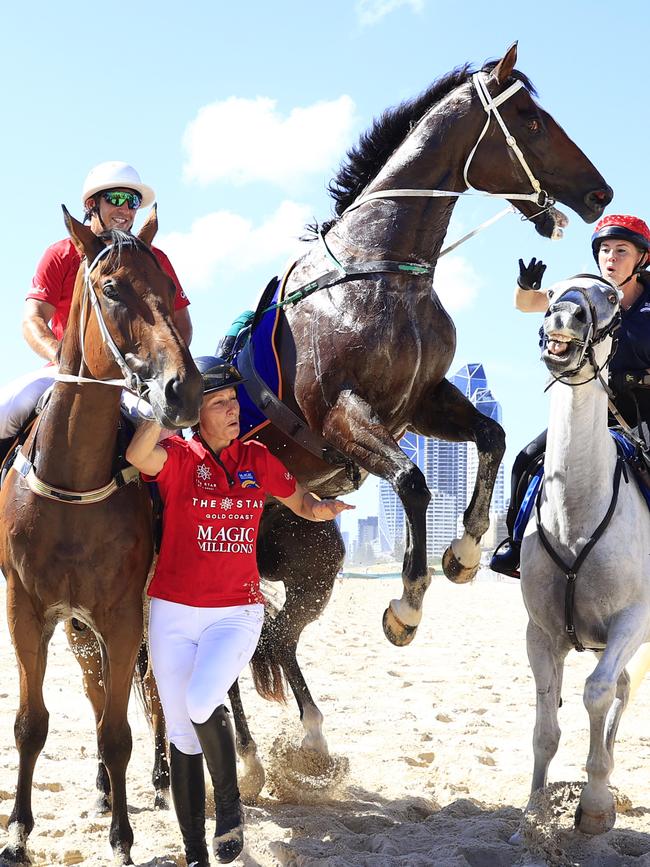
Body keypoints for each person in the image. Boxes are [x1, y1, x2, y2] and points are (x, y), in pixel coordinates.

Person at [125, 356, 354, 866]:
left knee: (204, 698)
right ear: (196, 414)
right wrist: (172, 408)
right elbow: (138, 452)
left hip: (235, 613)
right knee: (181, 735)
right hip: (171, 612)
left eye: (235, 401)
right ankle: (195, 855)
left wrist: (324, 509)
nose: (234, 411)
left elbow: (301, 503)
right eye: (220, 403)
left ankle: (229, 810)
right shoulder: (178, 457)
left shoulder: (256, 458)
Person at [491, 214, 650, 578]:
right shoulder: (584, 293)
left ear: (642, 258)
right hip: (595, 405)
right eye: (605, 249)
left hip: (643, 409)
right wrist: (523, 284)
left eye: (621, 250)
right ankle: (515, 546)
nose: (610, 257)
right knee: (525, 459)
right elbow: (526, 303)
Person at [0, 161, 192, 455]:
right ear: (91, 204)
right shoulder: (60, 254)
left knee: (174, 441)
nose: (126, 209)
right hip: (63, 373)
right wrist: (62, 359)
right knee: (4, 409)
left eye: (133, 201)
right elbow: (33, 320)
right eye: (116, 199)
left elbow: (181, 324)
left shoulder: (156, 258)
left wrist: (159, 368)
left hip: (135, 379)